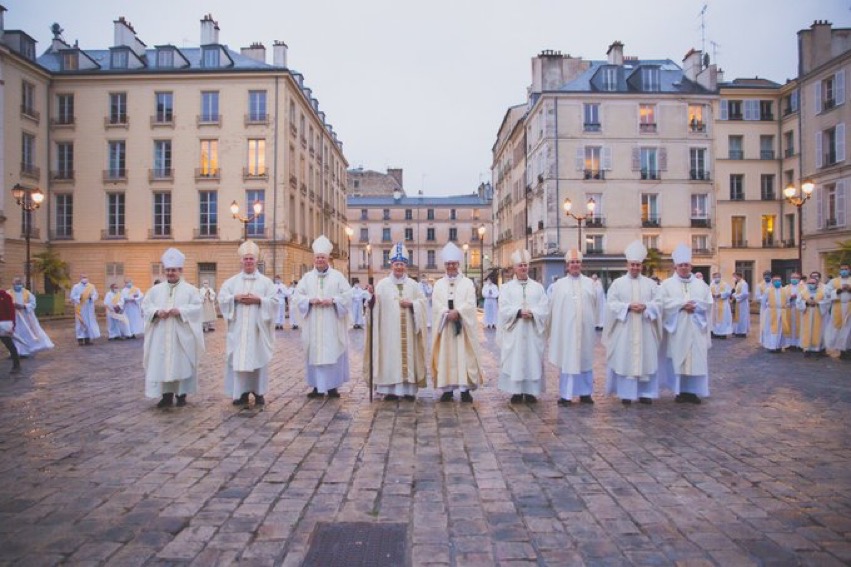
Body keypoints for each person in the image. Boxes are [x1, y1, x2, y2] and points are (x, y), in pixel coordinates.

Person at [142, 248, 205, 408]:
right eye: (168, 270)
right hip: (161, 333)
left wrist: (181, 311)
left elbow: (198, 308)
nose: (170, 273)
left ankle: (181, 395)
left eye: (173, 270)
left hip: (181, 335)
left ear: (180, 270)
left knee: (181, 363)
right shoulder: (155, 290)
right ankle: (166, 396)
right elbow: (145, 307)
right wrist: (156, 312)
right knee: (163, 364)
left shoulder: (191, 290)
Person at [219, 240, 278, 407]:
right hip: (238, 329)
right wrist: (235, 298)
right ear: (241, 261)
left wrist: (259, 300)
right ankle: (240, 393)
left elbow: (274, 302)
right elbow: (222, 299)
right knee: (239, 361)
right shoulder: (231, 282)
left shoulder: (266, 282)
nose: (248, 262)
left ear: (256, 260)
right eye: (246, 259)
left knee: (258, 358)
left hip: (257, 329)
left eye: (251, 259)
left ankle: (258, 393)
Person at [365, 243, 428, 401]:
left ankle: (408, 390)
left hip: (409, 332)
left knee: (408, 357)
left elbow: (423, 303)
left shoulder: (414, 285)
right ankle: (390, 390)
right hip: (389, 333)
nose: (399, 267)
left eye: (402, 264)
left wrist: (413, 305)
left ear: (406, 265)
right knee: (390, 358)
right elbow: (373, 308)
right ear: (391, 265)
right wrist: (371, 297)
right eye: (396, 264)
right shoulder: (382, 285)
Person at [603, 241, 661, 405]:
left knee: (646, 359)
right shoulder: (618, 283)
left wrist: (646, 306)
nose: (635, 267)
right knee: (625, 359)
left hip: (644, 328)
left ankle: (646, 393)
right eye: (632, 265)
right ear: (627, 265)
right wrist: (627, 307)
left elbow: (659, 303)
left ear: (641, 266)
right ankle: (626, 394)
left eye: (638, 265)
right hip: (625, 328)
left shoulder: (651, 284)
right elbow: (611, 304)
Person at [295, 235, 352, 398]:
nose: (320, 260)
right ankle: (317, 387)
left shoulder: (338, 277)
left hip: (331, 322)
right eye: (318, 257)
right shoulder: (307, 278)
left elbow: (347, 295)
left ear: (328, 259)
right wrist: (309, 301)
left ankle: (332, 386)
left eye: (323, 257)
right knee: (315, 351)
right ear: (314, 259)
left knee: (332, 350)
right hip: (313, 321)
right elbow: (297, 296)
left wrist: (333, 301)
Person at [659, 244, 712, 404]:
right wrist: (681, 304)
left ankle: (693, 392)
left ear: (691, 266)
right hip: (678, 329)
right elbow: (662, 303)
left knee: (695, 361)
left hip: (696, 328)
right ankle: (680, 391)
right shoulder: (666, 285)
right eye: (681, 265)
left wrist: (695, 305)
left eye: (686, 265)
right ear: (675, 266)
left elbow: (708, 303)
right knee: (679, 360)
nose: (684, 267)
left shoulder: (701, 285)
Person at [431, 242, 484, 402]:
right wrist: (445, 313)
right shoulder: (439, 284)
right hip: (446, 327)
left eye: (453, 264)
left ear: (458, 264)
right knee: (446, 356)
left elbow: (470, 303)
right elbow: (436, 303)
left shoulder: (467, 283)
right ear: (445, 265)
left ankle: (464, 390)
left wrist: (458, 312)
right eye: (448, 264)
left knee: (463, 356)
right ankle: (447, 389)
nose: (451, 267)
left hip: (463, 330)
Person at [497, 249, 549, 404]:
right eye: (520, 265)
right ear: (514, 268)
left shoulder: (538, 287)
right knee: (516, 360)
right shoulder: (507, 288)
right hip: (516, 332)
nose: (523, 268)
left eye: (525, 265)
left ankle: (531, 392)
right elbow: (504, 308)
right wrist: (518, 312)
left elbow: (544, 307)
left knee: (532, 360)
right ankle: (516, 392)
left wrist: (533, 313)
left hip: (532, 331)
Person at [549, 249, 597, 406]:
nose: (575, 265)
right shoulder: (559, 285)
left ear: (581, 264)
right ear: (567, 265)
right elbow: (553, 308)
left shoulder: (590, 284)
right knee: (568, 361)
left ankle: (585, 394)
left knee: (585, 361)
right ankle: (566, 395)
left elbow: (596, 306)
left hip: (585, 330)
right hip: (567, 331)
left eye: (577, 262)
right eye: (572, 263)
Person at [8, 277, 54, 358]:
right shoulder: (8, 293)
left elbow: (33, 304)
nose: (18, 285)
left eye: (19, 283)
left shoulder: (27, 293)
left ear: (22, 284)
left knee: (25, 333)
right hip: (14, 316)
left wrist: (23, 306)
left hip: (26, 317)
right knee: (15, 334)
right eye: (16, 283)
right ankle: (15, 352)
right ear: (12, 284)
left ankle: (25, 351)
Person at [797, 275, 830, 357]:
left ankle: (816, 349)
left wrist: (818, 303)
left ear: (817, 284)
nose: (811, 284)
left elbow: (827, 302)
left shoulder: (822, 292)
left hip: (818, 312)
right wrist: (806, 303)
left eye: (813, 283)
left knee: (818, 330)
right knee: (806, 330)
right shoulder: (803, 292)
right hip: (806, 312)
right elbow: (798, 302)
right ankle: (806, 349)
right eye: (810, 283)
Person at [825, 263, 851, 359]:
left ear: (849, 270)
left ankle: (848, 349)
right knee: (837, 329)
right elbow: (827, 292)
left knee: (849, 329)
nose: (844, 271)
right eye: (842, 269)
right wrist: (838, 290)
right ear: (839, 271)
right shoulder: (833, 281)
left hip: (849, 306)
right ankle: (839, 350)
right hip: (838, 306)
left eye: (846, 269)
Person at [760, 275, 790, 353]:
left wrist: (783, 307)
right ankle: (771, 346)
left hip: (781, 313)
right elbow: (763, 302)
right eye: (775, 281)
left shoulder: (784, 290)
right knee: (770, 330)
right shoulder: (768, 290)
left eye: (779, 280)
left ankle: (779, 346)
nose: (777, 282)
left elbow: (788, 301)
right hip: (771, 312)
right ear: (772, 282)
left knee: (780, 330)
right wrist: (767, 309)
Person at [70, 274, 101, 346]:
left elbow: (96, 295)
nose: (85, 279)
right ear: (80, 278)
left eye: (86, 277)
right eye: (83, 277)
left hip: (89, 307)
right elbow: (72, 296)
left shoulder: (91, 286)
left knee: (89, 322)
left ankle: (87, 338)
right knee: (80, 322)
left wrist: (91, 297)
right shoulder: (76, 287)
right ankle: (80, 339)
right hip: (80, 307)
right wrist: (79, 297)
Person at [0, 287, 21, 375]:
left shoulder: (5, 296)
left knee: (9, 345)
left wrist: (12, 326)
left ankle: (16, 365)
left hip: (4, 325)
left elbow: (11, 312)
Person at [709, 271, 732, 339]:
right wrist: (711, 295)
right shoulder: (711, 284)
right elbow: (708, 293)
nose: (717, 278)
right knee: (714, 319)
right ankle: (715, 333)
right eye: (715, 277)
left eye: (718, 277)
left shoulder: (725, 284)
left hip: (723, 304)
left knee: (723, 319)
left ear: (720, 277)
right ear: (713, 278)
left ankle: (723, 333)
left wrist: (721, 294)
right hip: (714, 304)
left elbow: (728, 292)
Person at [784, 272, 804, 351]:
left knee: (800, 326)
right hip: (790, 308)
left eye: (796, 278)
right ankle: (791, 344)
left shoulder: (804, 288)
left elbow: (805, 297)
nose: (794, 279)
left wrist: (798, 297)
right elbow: (784, 298)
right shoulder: (786, 288)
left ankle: (800, 344)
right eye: (792, 277)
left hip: (799, 310)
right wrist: (790, 298)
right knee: (791, 326)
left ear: (799, 279)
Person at [753, 269, 773, 340]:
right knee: (764, 322)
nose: (767, 277)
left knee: (772, 322)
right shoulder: (759, 285)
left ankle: (771, 338)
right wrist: (765, 299)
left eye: (768, 275)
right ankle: (764, 338)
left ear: (771, 276)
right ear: (763, 276)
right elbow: (757, 296)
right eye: (765, 275)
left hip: (772, 307)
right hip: (764, 306)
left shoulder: (774, 284)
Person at [730, 272, 750, 337]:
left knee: (742, 317)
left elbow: (745, 294)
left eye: (734, 276)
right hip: (738, 303)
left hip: (742, 304)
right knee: (737, 317)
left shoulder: (744, 283)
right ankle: (737, 331)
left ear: (738, 276)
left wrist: (736, 296)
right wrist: (733, 295)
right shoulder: (738, 283)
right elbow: (737, 292)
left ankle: (742, 332)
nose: (734, 278)